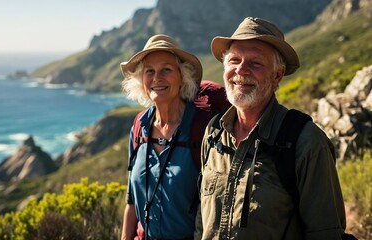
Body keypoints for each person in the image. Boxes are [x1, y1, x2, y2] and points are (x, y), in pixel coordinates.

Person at [198, 17, 347, 239]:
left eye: (255, 63)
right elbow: (201, 222)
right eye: (234, 60)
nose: (241, 70)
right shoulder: (214, 132)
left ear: (277, 75)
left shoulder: (306, 142)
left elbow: (325, 233)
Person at [119, 34, 211, 240]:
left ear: (182, 76)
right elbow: (132, 201)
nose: (156, 78)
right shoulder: (139, 126)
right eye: (149, 71)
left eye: (166, 70)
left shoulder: (203, 128)